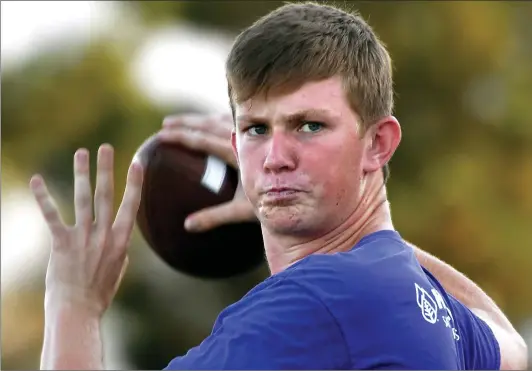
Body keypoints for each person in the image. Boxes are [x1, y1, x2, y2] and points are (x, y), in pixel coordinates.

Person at [32, 2, 528, 370]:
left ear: (378, 143)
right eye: (256, 130)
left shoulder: (313, 305)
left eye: (309, 126)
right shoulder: (417, 298)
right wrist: (382, 241)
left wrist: (74, 304)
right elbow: (512, 345)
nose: (275, 159)